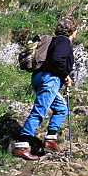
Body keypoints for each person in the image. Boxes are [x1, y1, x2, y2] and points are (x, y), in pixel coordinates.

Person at [12, 16, 78, 160]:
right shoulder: (64, 41)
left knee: (61, 108)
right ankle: (21, 146)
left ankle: (50, 141)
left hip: (39, 77)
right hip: (50, 79)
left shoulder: (53, 41)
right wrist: (65, 75)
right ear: (74, 30)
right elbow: (57, 60)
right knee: (40, 110)